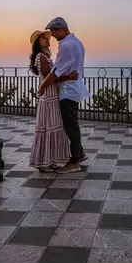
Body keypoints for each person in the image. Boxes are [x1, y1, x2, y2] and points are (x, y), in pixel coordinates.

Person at [38, 17, 89, 173]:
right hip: (74, 89)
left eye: (53, 33)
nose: (52, 36)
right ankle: (79, 154)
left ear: (60, 30)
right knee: (72, 124)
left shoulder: (67, 45)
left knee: (70, 126)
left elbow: (56, 71)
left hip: (68, 91)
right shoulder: (77, 43)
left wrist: (42, 85)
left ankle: (74, 161)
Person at [29, 29, 78, 172]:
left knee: (51, 128)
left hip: (52, 97)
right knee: (50, 129)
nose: (46, 39)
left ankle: (50, 160)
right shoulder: (40, 57)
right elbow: (49, 77)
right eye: (43, 38)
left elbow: (52, 76)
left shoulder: (45, 56)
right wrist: (68, 77)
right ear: (38, 42)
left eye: (46, 37)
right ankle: (47, 162)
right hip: (49, 98)